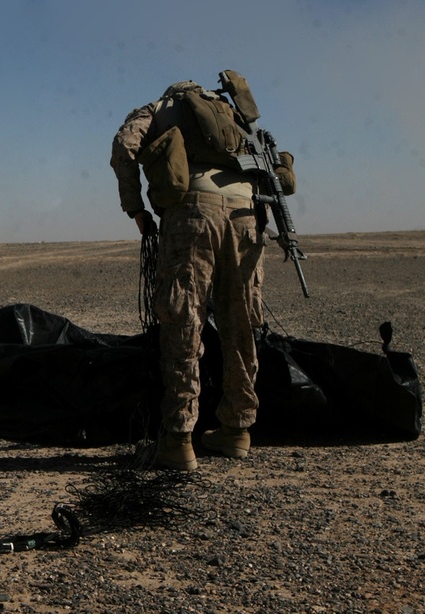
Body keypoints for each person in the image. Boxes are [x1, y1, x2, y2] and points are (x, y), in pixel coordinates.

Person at [110, 74, 295, 471]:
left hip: (194, 213)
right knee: (241, 320)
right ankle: (238, 430)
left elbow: (124, 146)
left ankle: (178, 440)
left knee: (183, 319)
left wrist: (136, 208)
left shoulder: (158, 109)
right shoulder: (236, 115)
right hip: (247, 215)